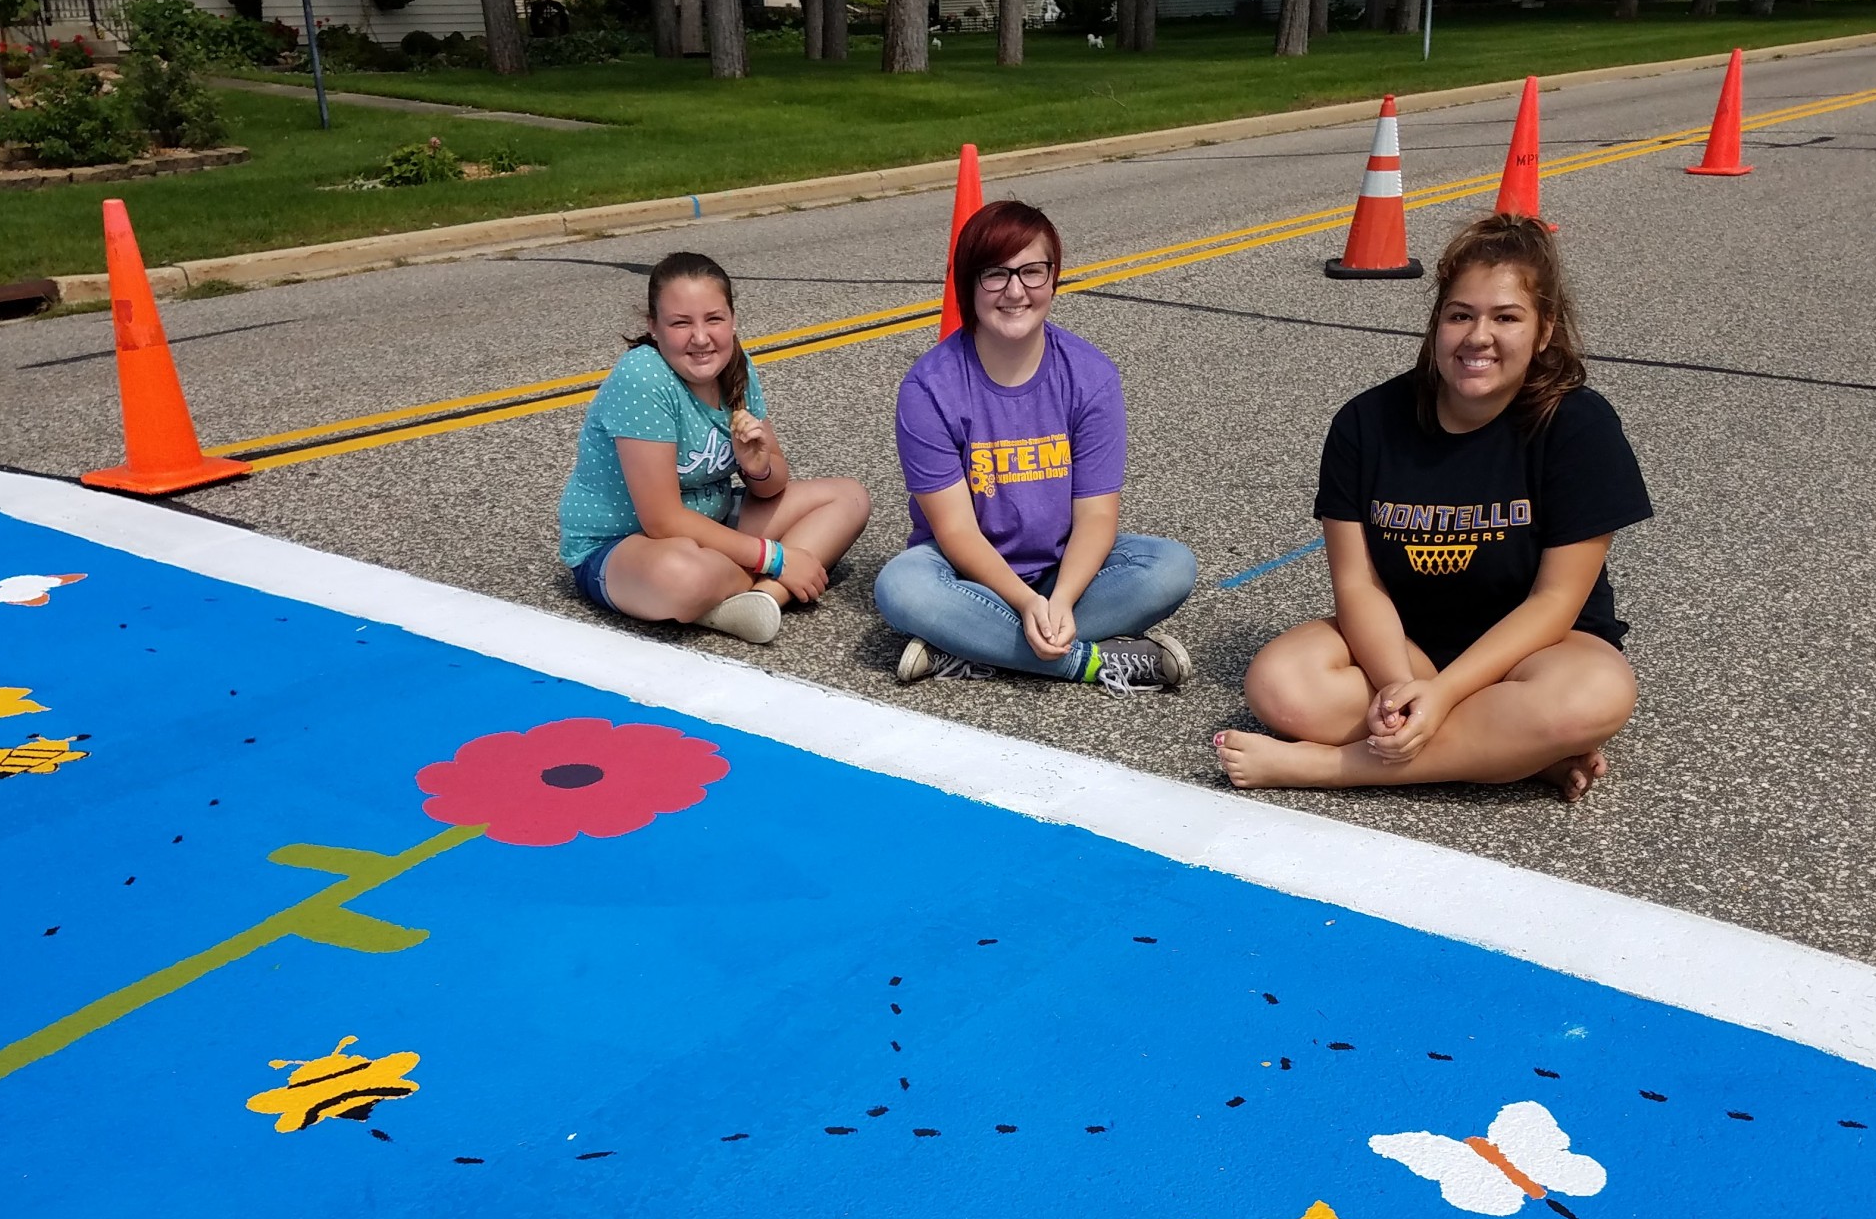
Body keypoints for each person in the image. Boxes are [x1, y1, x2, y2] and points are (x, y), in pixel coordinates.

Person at [1216, 215, 1649, 802]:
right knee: (1279, 684)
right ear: (1436, 324)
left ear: (1545, 330)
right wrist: (1400, 690)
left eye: (1506, 317)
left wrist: (1442, 696)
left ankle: (1332, 767)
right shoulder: (1365, 424)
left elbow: (1555, 601)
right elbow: (1358, 585)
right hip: (1406, 644)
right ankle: (1512, 755)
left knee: (1596, 695)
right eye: (1460, 315)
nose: (1478, 337)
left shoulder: (1577, 425)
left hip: (1536, 651)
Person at [876, 199, 1196, 692]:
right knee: (900, 587)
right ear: (969, 283)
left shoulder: (1090, 376)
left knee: (1170, 567)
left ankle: (963, 644)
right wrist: (1025, 605)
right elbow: (956, 531)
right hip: (964, 574)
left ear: (1054, 277)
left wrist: (1061, 599)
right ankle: (1090, 662)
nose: (1015, 291)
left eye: (1032, 271)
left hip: (1061, 568)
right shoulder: (929, 387)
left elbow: (1096, 517)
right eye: (996, 274)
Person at [560, 252, 870, 646]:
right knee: (684, 576)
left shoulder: (736, 367)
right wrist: (776, 558)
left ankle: (763, 599)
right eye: (680, 323)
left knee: (849, 498)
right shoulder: (642, 376)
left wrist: (757, 466)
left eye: (714, 319)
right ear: (653, 327)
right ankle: (764, 581)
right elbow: (662, 522)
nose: (701, 338)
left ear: (733, 319)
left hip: (712, 525)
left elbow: (772, 485)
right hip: (626, 546)